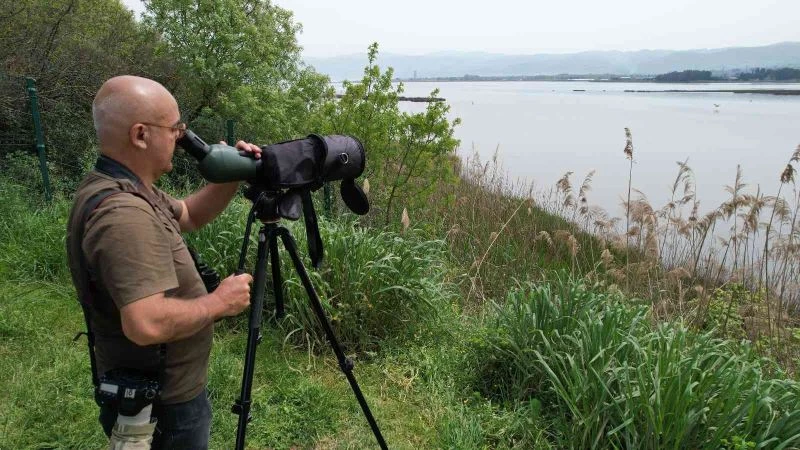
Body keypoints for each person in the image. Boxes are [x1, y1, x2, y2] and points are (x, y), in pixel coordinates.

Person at [66, 75, 257, 449]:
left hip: (164, 392)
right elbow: (146, 324)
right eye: (174, 129)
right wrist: (220, 302)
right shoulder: (124, 215)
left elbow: (188, 215)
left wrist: (230, 175)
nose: (179, 138)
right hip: (163, 405)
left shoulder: (129, 187)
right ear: (140, 135)